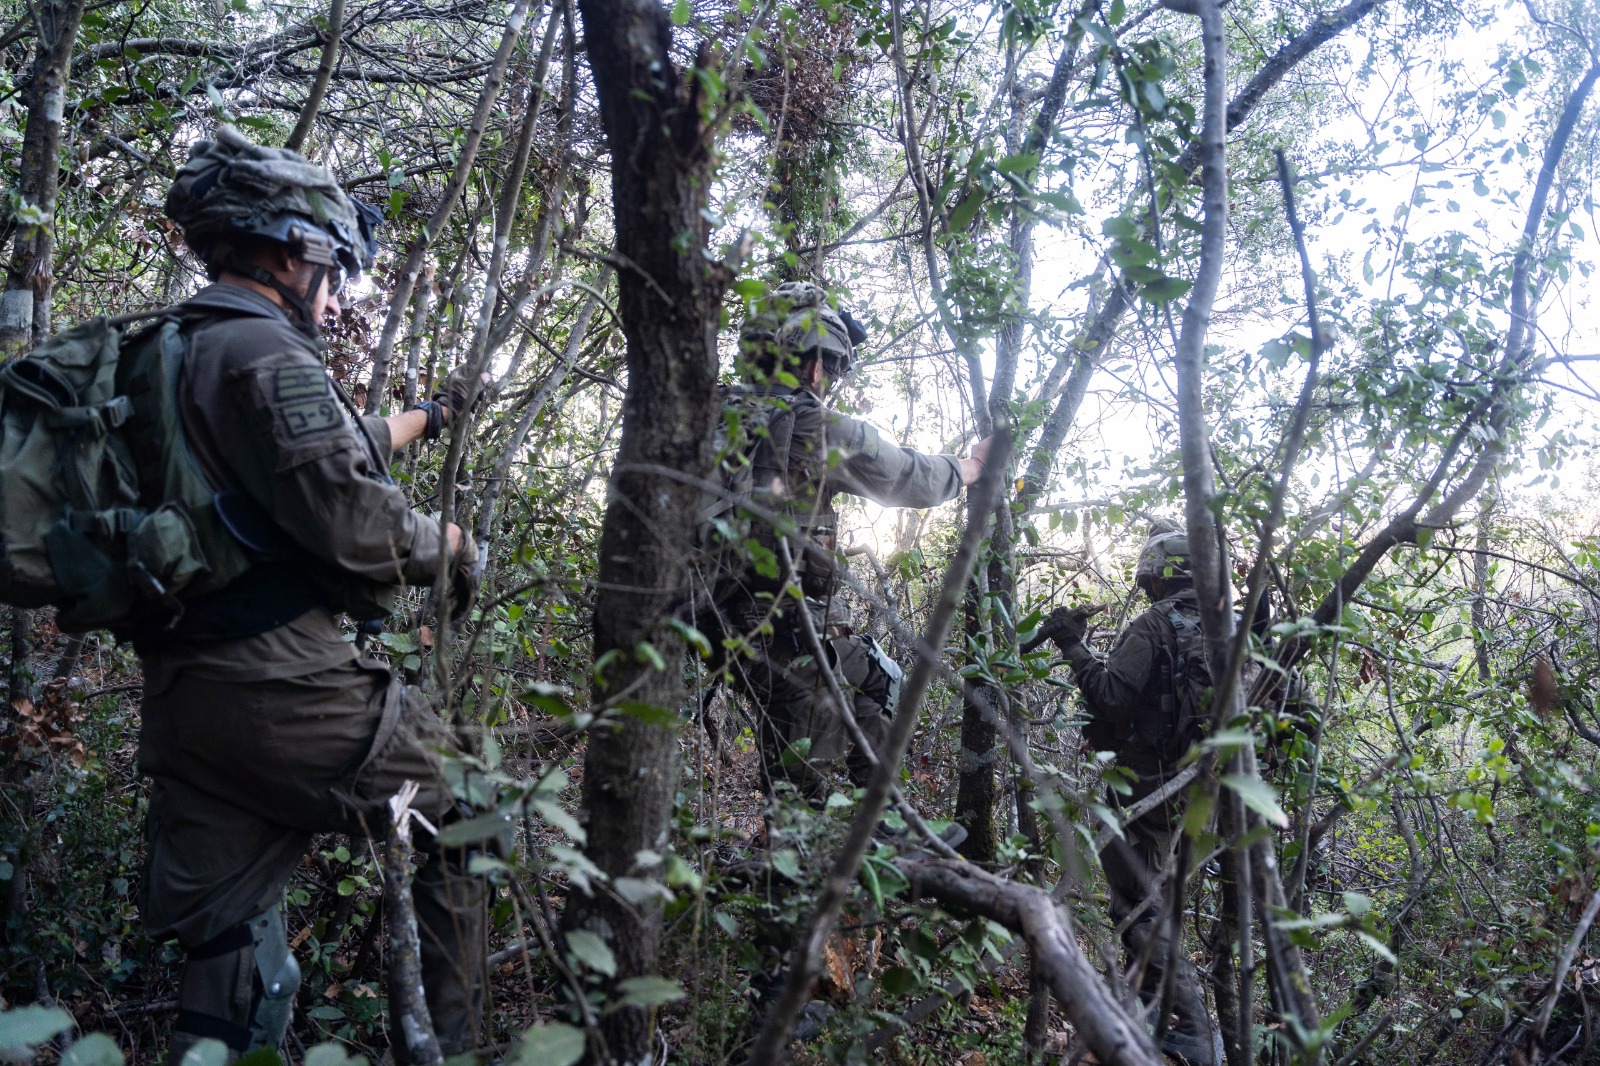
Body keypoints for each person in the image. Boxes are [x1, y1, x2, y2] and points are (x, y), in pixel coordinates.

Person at [134, 126, 486, 1063]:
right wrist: (446, 545)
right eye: (333, 271)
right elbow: (353, 521)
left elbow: (308, 451)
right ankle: (453, 1048)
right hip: (279, 692)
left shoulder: (166, 350)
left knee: (234, 969)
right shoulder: (265, 353)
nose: (334, 299)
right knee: (469, 806)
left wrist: (429, 415)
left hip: (183, 701)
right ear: (293, 249)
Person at [704, 281, 993, 807]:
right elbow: (908, 476)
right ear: (815, 364)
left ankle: (878, 827)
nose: (830, 380)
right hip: (779, 630)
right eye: (832, 366)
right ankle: (798, 873)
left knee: (878, 678)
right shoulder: (811, 424)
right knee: (801, 779)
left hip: (711, 621)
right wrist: (970, 467)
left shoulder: (711, 414)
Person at [1035, 518, 1223, 1066]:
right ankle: (1154, 1016)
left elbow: (1112, 698)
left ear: (1160, 575)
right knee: (1155, 901)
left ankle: (1187, 1033)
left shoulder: (1155, 625)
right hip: (1205, 792)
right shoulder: (1226, 627)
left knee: (1139, 906)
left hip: (1147, 790)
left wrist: (1072, 645)